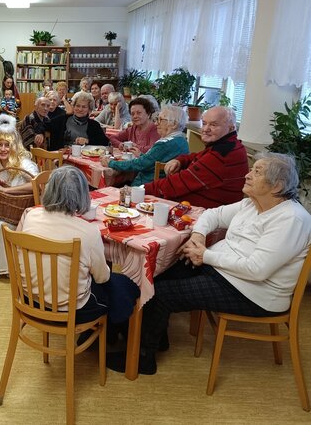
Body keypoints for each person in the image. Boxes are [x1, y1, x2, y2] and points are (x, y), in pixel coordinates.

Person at [108, 152, 311, 375]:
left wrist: (205, 256)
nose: (248, 174)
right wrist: (198, 238)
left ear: (277, 186)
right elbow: (212, 215)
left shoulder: (291, 219)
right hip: (226, 271)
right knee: (157, 273)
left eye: (257, 172)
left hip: (253, 292)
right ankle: (152, 337)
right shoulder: (252, 204)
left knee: (162, 293)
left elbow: (257, 269)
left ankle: (143, 359)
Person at [17, 166, 140, 325]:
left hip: (30, 298)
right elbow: (102, 277)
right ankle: (117, 333)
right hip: (73, 310)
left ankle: (110, 333)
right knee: (126, 286)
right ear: (82, 194)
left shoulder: (31, 215)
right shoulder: (89, 231)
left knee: (105, 283)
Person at [144, 106, 249, 208]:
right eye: (204, 123)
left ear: (231, 127)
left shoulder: (221, 155)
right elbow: (199, 156)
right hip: (200, 208)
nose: (206, 129)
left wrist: (142, 189)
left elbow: (178, 183)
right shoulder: (231, 145)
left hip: (206, 215)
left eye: (213, 125)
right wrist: (180, 161)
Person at [0, 115, 39, 276]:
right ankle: (0, 267)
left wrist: (6, 190)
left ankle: (10, 268)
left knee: (1, 229)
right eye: (0, 145)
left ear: (14, 146)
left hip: (22, 212)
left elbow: (37, 184)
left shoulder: (23, 163)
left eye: (8, 145)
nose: (3, 149)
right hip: (3, 210)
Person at [100, 106, 190, 186]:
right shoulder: (182, 141)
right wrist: (141, 155)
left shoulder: (165, 144)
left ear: (174, 124)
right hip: (165, 185)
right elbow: (154, 161)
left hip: (146, 187)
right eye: (157, 119)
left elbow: (139, 164)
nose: (156, 123)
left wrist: (111, 163)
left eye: (161, 120)